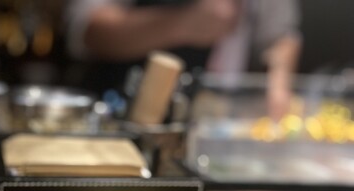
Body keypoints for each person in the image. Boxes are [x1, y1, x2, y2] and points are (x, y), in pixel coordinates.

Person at [64, 0, 302, 120]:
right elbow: (86, 30)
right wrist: (181, 24)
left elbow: (281, 36)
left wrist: (278, 80)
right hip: (116, 118)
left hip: (219, 133)